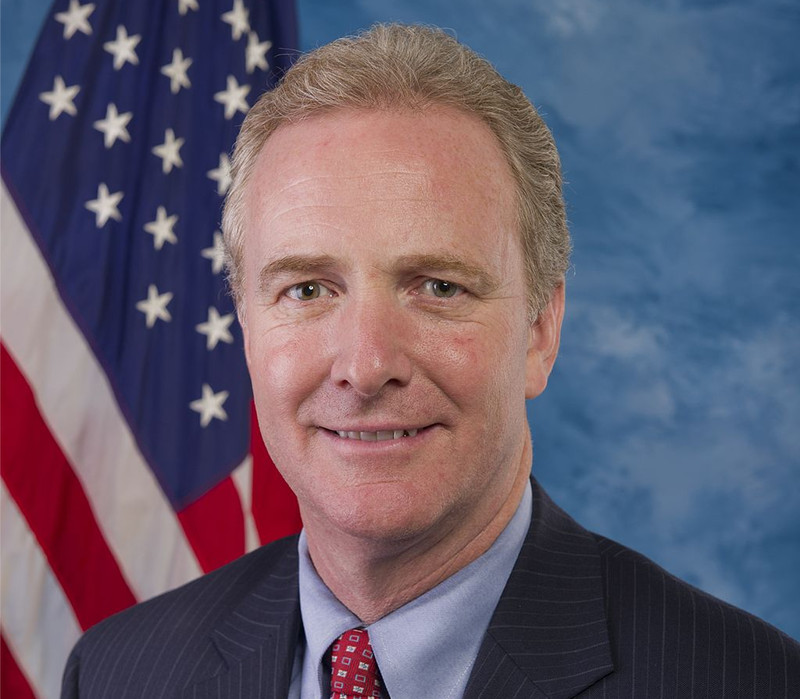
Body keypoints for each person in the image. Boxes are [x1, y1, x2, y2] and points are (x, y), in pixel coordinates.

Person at [62, 23, 799, 699]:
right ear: (247, 325)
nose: (365, 363)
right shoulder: (121, 671)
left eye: (438, 286)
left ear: (542, 328)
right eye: (308, 288)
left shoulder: (744, 680)